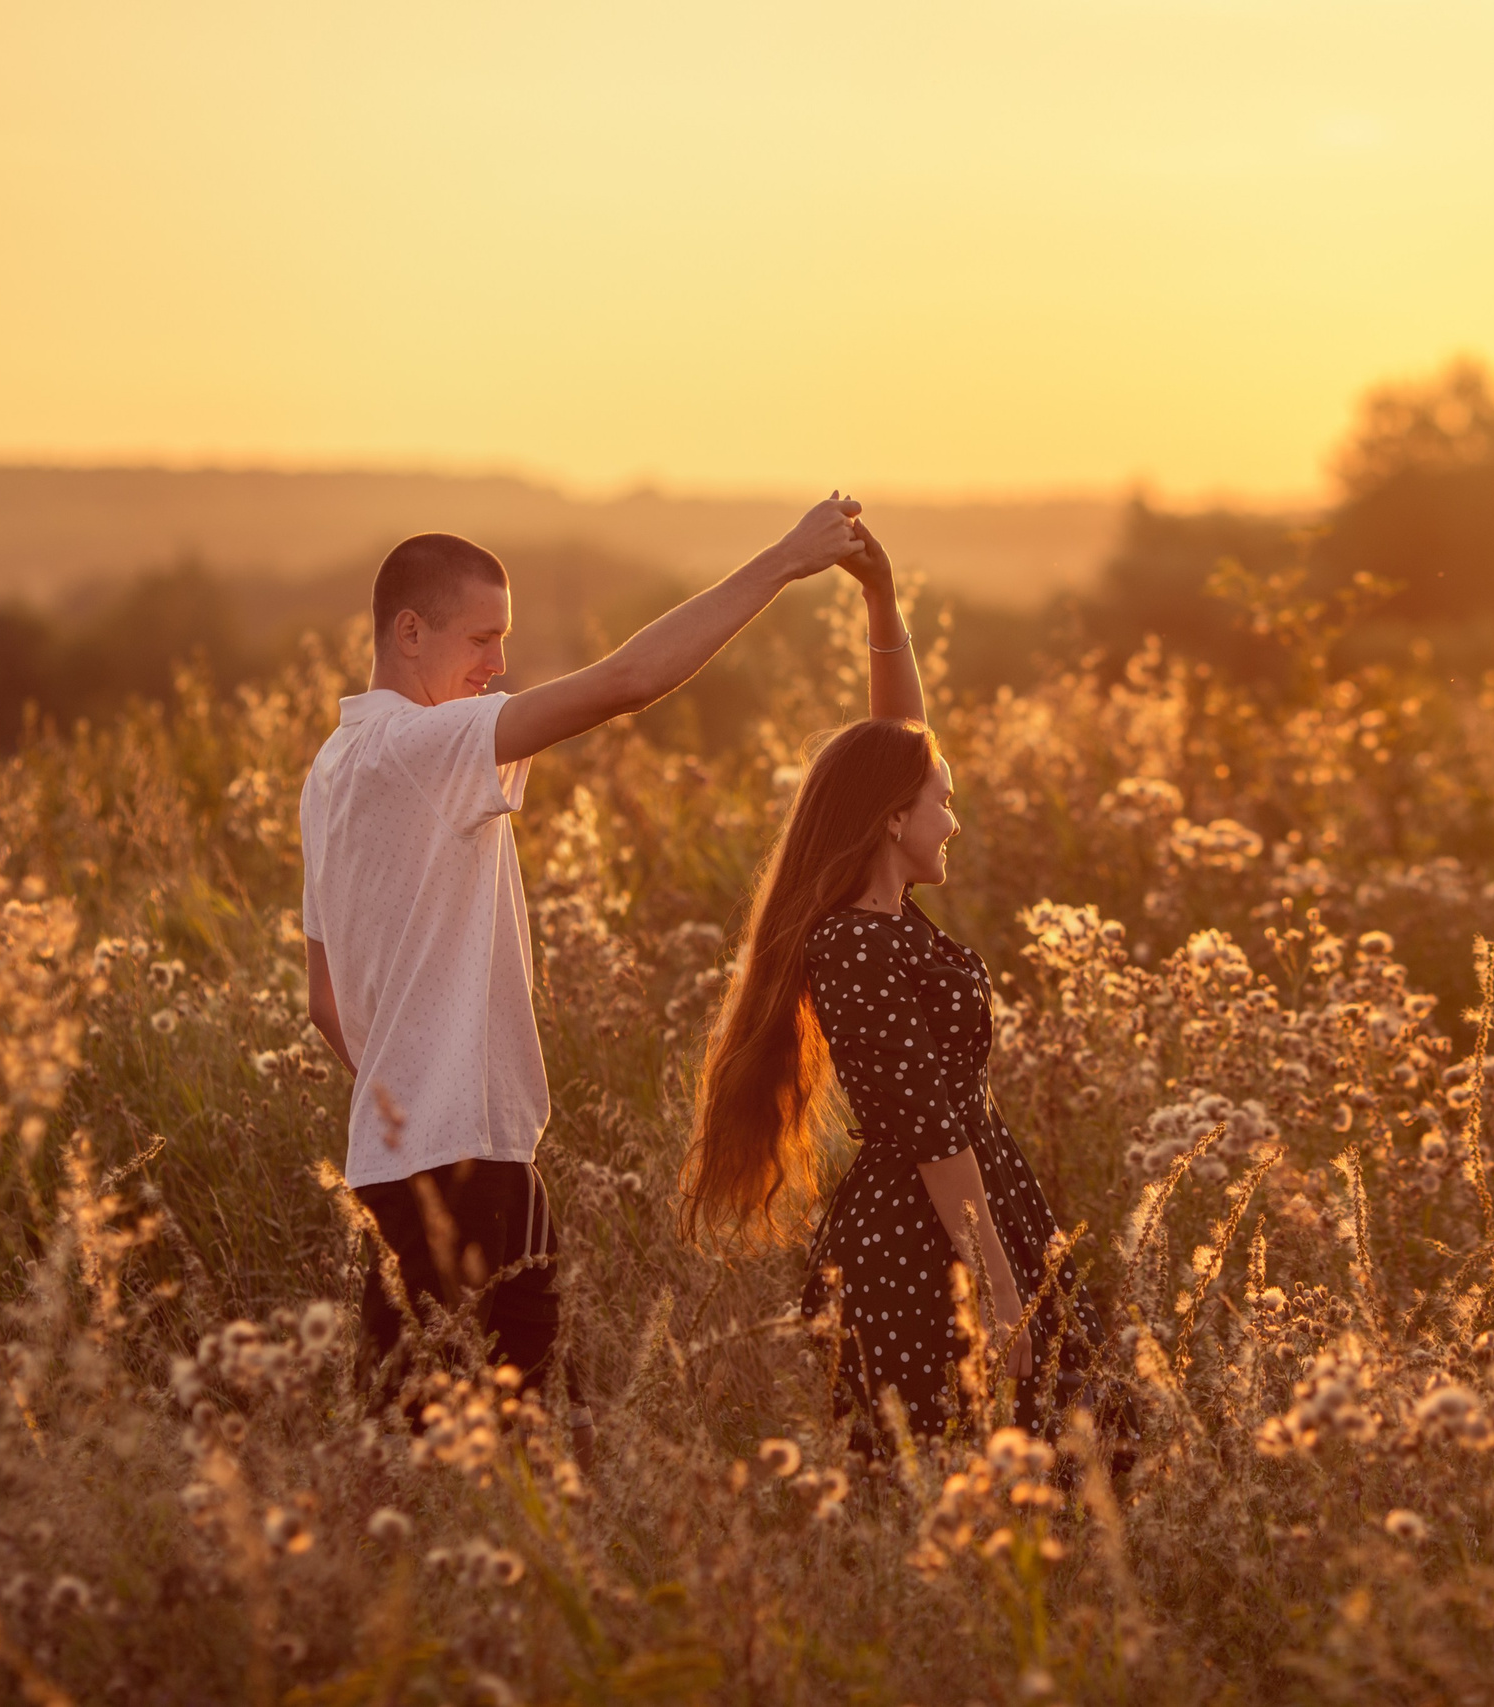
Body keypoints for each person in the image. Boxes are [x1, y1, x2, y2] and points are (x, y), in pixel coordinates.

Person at [301, 498, 872, 1458]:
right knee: (488, 1462)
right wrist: (784, 560)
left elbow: (325, 1002)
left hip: (418, 1164)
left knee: (442, 1457)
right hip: (468, 1158)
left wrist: (407, 1087)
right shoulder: (422, 746)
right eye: (481, 637)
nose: (498, 663)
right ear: (409, 631)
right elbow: (628, 680)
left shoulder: (330, 770)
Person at [684, 528, 1105, 1454]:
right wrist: (998, 1291)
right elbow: (928, 1129)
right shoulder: (856, 946)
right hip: (924, 1241)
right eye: (942, 803)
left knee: (1053, 1459)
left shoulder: (889, 916)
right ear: (891, 820)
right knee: (954, 1470)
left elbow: (897, 750)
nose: (952, 821)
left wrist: (880, 598)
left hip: (972, 1208)